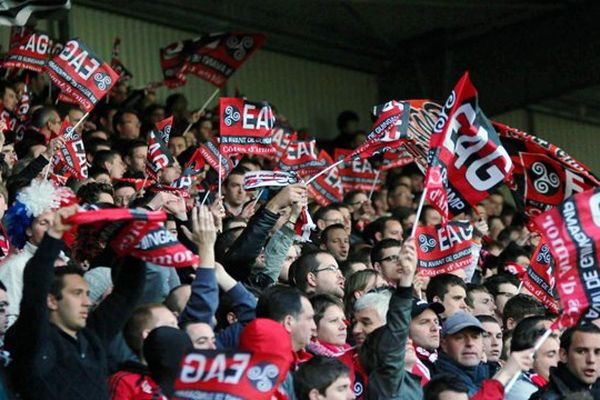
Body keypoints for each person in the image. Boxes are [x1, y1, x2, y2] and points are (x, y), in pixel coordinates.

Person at [4, 205, 146, 399]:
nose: (87, 302)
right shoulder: (34, 338)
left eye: (87, 294)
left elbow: (126, 294)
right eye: (77, 293)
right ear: (51, 300)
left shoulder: (92, 336)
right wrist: (54, 235)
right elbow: (35, 285)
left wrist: (134, 244)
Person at [357, 237, 423, 399]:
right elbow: (397, 327)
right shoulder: (388, 382)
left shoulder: (414, 378)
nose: (406, 339)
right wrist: (406, 281)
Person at [531, 324, 600, 399]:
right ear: (563, 355)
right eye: (581, 351)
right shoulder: (546, 397)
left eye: (598, 352)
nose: (591, 360)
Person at [435, 311, 489, 395]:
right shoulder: (441, 385)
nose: (470, 343)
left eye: (475, 337)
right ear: (444, 344)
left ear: (483, 344)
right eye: (459, 338)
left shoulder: (486, 374)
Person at [409, 299, 444, 384]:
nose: (435, 328)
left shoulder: (444, 359)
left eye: (436, 322)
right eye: (424, 322)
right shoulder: (405, 365)